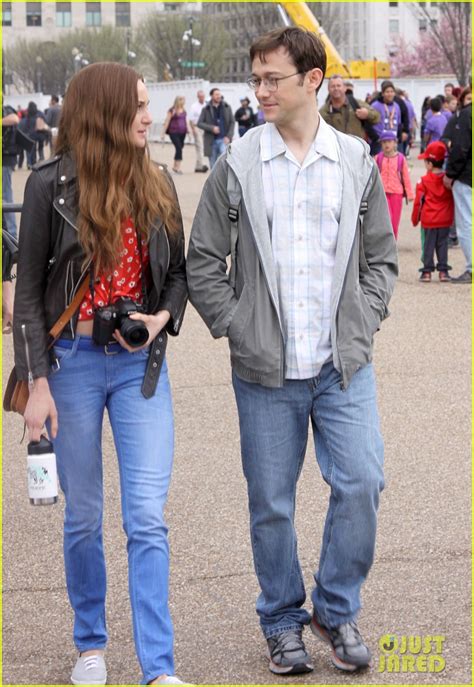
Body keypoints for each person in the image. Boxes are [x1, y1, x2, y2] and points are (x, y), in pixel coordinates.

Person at [187, 26, 397, 677]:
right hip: (266, 371)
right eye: (255, 79)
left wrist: (360, 327)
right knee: (272, 502)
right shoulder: (239, 162)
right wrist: (241, 328)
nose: (261, 90)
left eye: (272, 78)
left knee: (362, 479)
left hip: (342, 364)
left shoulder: (355, 160)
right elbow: (202, 262)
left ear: (312, 80)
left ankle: (333, 607)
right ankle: (281, 620)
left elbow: (380, 262)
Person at [13, 62, 188, 686]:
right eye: (138, 106)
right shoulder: (48, 186)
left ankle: (158, 669)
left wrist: (160, 316)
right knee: (83, 515)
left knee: (146, 516)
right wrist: (36, 385)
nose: (150, 115)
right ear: (105, 113)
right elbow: (28, 295)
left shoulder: (159, 182)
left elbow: (178, 275)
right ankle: (90, 644)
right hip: (73, 368)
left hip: (140, 367)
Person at [412, 141, 454, 282]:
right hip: (445, 219)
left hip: (429, 219)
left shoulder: (423, 181)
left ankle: (427, 272)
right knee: (442, 245)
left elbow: (418, 202)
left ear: (429, 164)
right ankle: (443, 271)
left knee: (428, 246)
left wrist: (415, 219)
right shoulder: (447, 181)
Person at [444, 87, 472, 283]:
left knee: (466, 223)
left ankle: (471, 267)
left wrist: (451, 174)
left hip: (466, 176)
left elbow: (461, 148)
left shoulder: (465, 116)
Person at [375, 131, 413, 239]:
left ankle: (392, 242)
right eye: (384, 142)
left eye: (389, 142)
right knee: (384, 219)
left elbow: (405, 177)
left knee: (394, 221)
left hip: (397, 193)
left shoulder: (401, 159)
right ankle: (384, 242)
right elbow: (372, 176)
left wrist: (409, 194)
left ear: (395, 143)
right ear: (381, 144)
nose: (387, 145)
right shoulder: (378, 158)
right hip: (381, 193)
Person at [319, 74, 380, 142]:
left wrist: (367, 114)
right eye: (333, 86)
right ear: (328, 89)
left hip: (357, 148)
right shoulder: (323, 112)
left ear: (345, 88)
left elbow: (377, 117)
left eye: (338, 86)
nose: (336, 88)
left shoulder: (356, 104)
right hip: (335, 150)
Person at [197, 87, 234, 169]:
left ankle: (223, 181)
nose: (219, 96)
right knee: (213, 166)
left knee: (224, 163)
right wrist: (212, 128)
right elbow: (199, 123)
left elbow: (232, 122)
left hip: (223, 140)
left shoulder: (227, 107)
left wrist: (229, 136)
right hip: (211, 142)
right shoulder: (206, 109)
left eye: (219, 94)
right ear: (211, 96)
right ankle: (214, 181)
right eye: (216, 94)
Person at [370, 80, 407, 155]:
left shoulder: (396, 106)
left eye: (391, 91)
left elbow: (399, 123)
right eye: (387, 92)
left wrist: (401, 135)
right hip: (380, 141)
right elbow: (369, 123)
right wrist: (375, 137)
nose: (390, 94)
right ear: (383, 93)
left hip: (393, 140)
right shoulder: (375, 105)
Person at [2, 103, 20, 238]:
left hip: (5, 161)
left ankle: (12, 235)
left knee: (6, 197)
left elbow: (15, 118)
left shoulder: (6, 109)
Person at [161, 96, 191, 175]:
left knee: (180, 148)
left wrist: (189, 132)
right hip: (173, 132)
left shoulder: (184, 111)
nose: (184, 102)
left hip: (182, 132)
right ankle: (177, 168)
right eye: (182, 100)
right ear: (178, 101)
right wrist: (163, 133)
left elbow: (186, 122)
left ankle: (175, 166)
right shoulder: (172, 111)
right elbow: (167, 121)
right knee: (178, 148)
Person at [18, 101, 49, 168]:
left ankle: (30, 163)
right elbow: (46, 122)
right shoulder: (40, 113)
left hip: (32, 135)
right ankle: (42, 161)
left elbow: (26, 124)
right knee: (41, 149)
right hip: (41, 135)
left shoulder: (28, 115)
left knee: (31, 150)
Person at [188, 90, 208, 173]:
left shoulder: (207, 105)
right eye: (200, 97)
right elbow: (191, 119)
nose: (202, 98)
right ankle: (202, 165)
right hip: (197, 128)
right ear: (198, 97)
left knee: (204, 147)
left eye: (203, 96)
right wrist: (193, 129)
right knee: (200, 147)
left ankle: (198, 167)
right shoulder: (194, 106)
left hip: (205, 127)